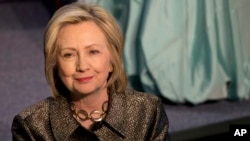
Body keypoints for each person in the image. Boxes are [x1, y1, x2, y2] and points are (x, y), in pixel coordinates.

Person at [11, 2, 170, 141]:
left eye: (93, 52)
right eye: (69, 54)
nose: (82, 66)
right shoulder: (32, 126)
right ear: (55, 65)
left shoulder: (148, 112)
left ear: (112, 61)